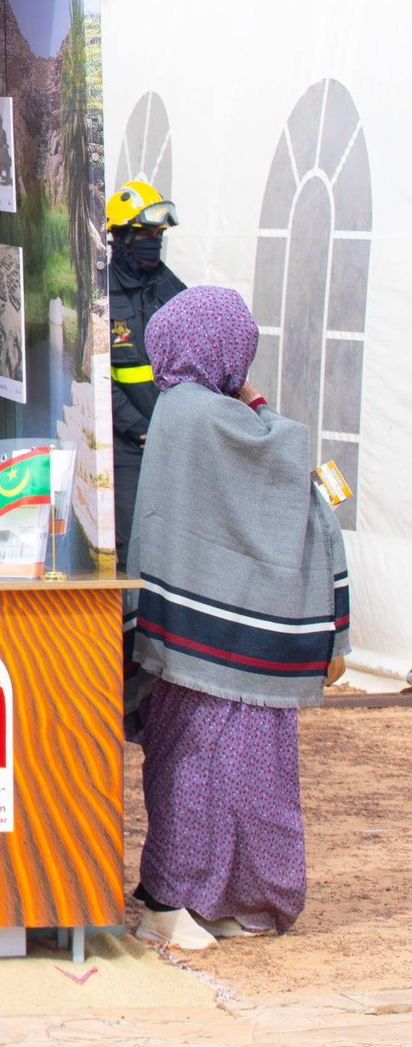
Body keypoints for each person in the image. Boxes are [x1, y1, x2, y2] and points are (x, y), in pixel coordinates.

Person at [125, 286, 349, 951]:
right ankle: (165, 901)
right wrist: (255, 398)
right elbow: (286, 456)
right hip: (205, 647)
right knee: (198, 774)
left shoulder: (184, 409)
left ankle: (216, 898)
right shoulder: (200, 414)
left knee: (236, 778)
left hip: (201, 637)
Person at [105, 179, 186, 560]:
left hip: (174, 438)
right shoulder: (101, 296)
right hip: (127, 445)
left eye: (158, 235)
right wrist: (139, 429)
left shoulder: (171, 289)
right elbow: (97, 376)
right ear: (121, 237)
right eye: (145, 234)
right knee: (130, 545)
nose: (153, 242)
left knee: (176, 543)